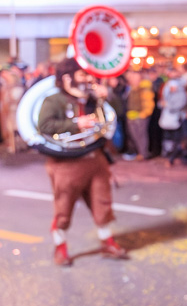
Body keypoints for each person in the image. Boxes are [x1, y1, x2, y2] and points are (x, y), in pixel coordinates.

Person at [37, 58, 129, 267]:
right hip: (67, 163)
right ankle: (60, 248)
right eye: (83, 75)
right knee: (64, 207)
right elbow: (44, 125)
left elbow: (116, 115)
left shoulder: (92, 99)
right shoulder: (54, 100)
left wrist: (108, 98)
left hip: (95, 158)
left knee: (102, 203)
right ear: (67, 78)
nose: (88, 79)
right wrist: (77, 123)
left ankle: (107, 242)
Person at [123, 70, 154, 160]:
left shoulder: (144, 87)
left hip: (140, 116)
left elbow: (148, 102)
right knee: (134, 136)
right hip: (131, 115)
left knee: (141, 136)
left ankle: (143, 153)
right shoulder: (132, 87)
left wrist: (144, 114)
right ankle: (138, 152)